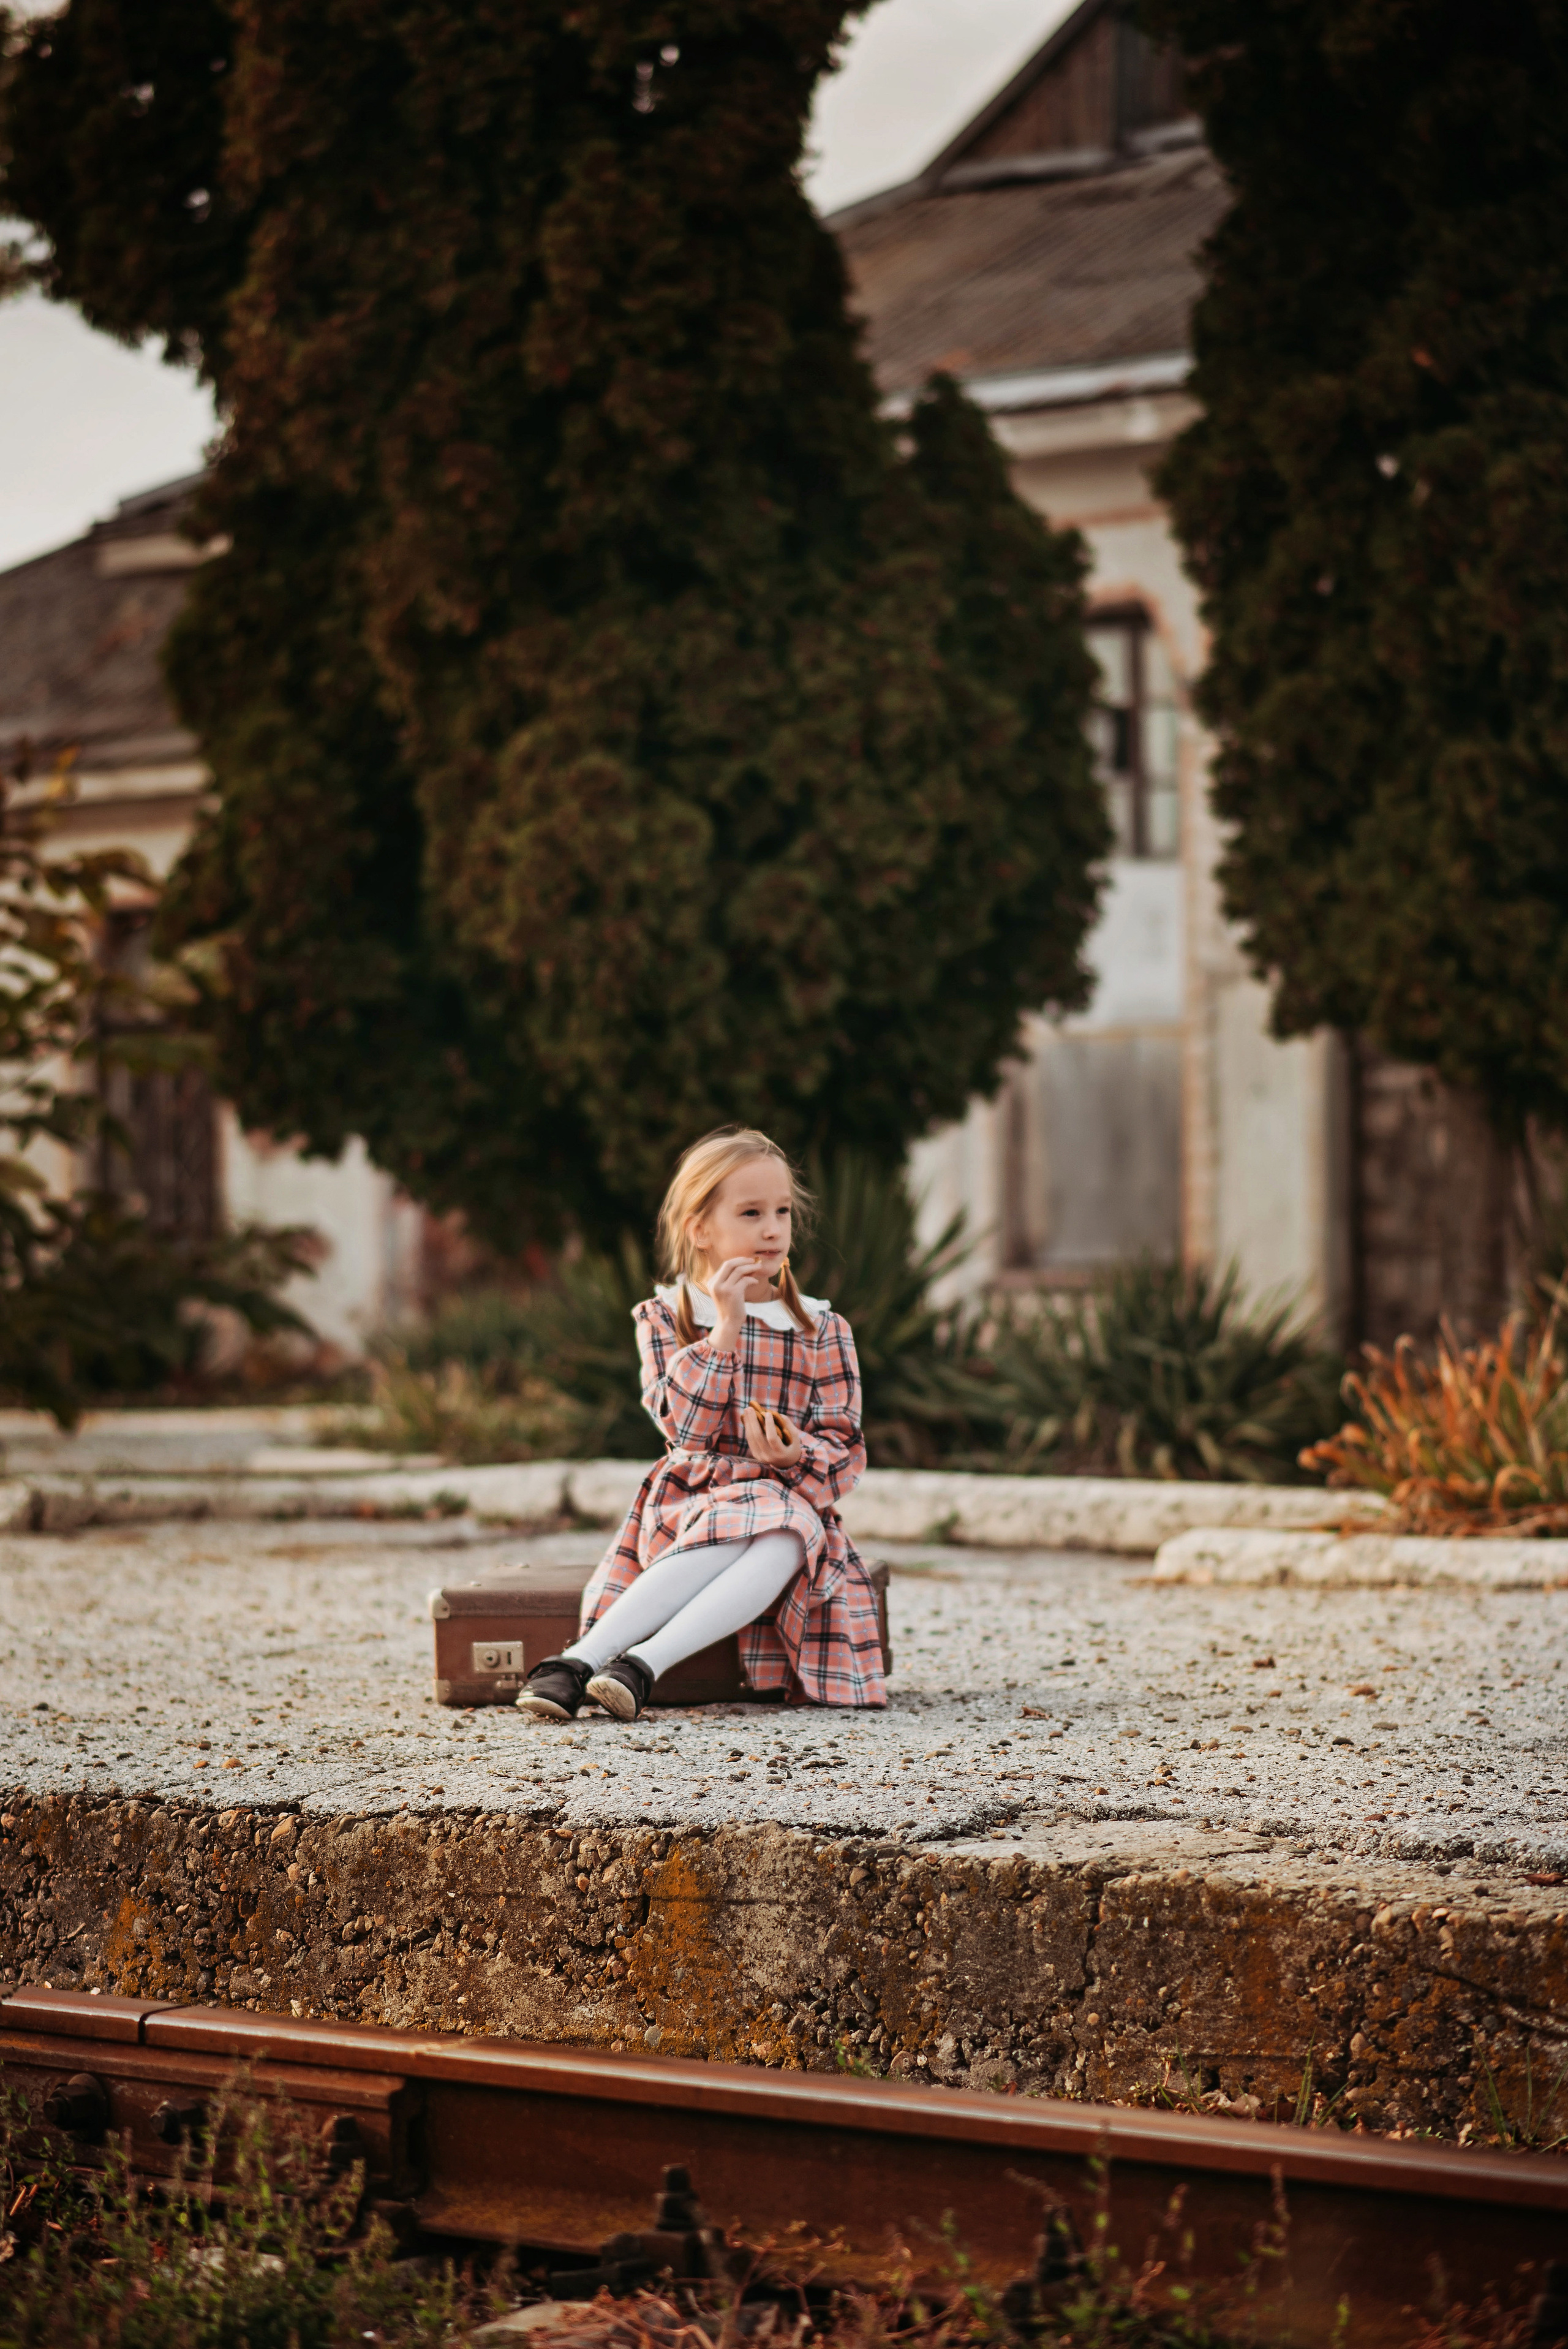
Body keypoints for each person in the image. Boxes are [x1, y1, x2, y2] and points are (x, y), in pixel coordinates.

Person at [516, 1127, 886, 1723]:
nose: (772, 1229)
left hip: (788, 1505)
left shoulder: (822, 1328)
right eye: (750, 1213)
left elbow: (845, 1452)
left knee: (789, 1527)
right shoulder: (668, 1316)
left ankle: (635, 1667)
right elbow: (684, 1427)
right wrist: (725, 1332)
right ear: (700, 1229)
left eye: (782, 1212)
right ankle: (583, 1661)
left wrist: (794, 1459)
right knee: (776, 1525)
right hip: (691, 1502)